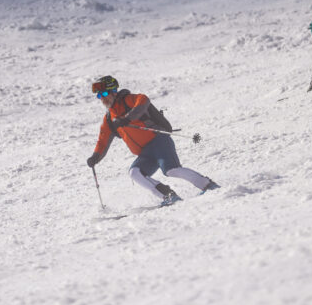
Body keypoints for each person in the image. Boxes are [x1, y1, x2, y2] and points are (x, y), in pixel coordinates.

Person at [86, 75, 219, 206]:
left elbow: (143, 100)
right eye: (99, 96)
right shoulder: (109, 119)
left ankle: (208, 185)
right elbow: (102, 142)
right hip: (145, 153)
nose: (102, 98)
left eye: (104, 93)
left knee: (171, 170)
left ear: (114, 91)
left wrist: (128, 117)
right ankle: (169, 196)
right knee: (135, 173)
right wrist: (95, 157)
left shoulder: (128, 100)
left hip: (159, 141)